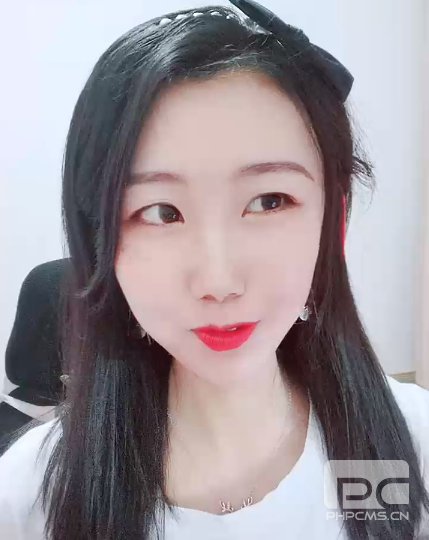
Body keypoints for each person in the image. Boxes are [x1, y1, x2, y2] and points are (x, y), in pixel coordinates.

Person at [0, 2, 428, 539]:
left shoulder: (411, 442)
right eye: (161, 212)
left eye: (269, 201)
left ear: (333, 225)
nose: (219, 283)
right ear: (100, 243)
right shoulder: (29, 499)